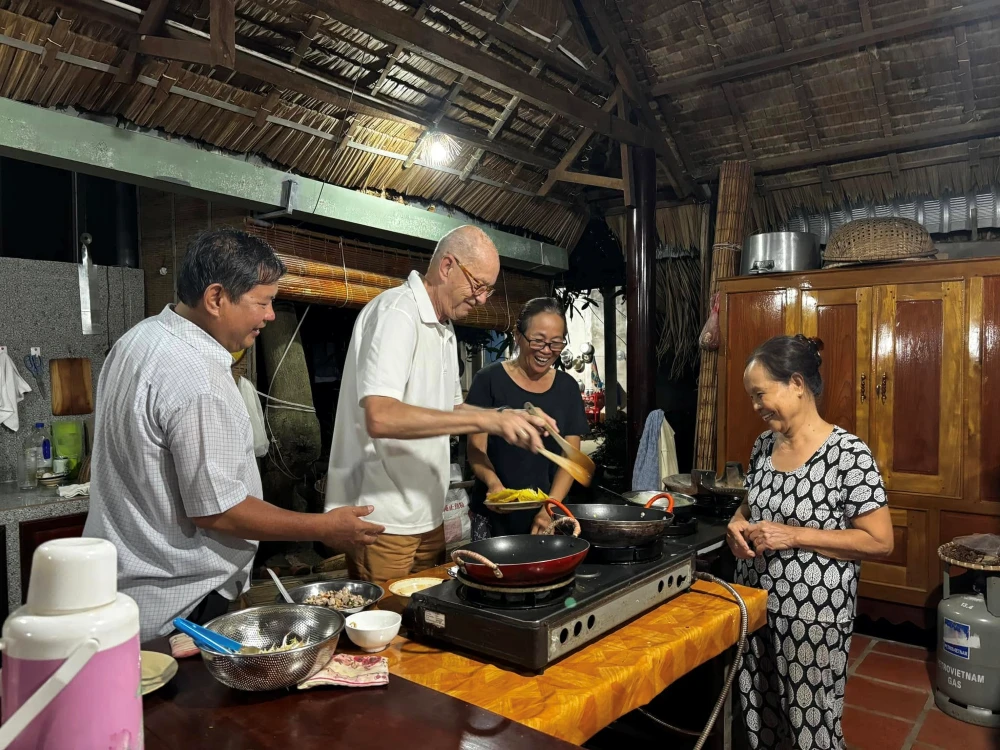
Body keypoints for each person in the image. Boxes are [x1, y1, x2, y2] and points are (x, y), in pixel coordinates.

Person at [84, 229, 385, 642]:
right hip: (181, 606)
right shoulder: (196, 376)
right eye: (262, 302)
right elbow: (218, 511)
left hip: (124, 596)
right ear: (216, 298)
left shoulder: (137, 340)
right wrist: (323, 527)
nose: (271, 315)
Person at [324, 225, 554, 582]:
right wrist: (489, 423)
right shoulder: (397, 314)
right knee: (387, 615)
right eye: (478, 286)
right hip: (383, 516)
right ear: (447, 266)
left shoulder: (444, 327)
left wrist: (505, 416)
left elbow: (451, 410)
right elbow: (381, 417)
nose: (482, 300)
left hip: (427, 513)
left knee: (427, 610)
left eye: (488, 290)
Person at [726, 334, 894, 750]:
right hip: (755, 605)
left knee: (811, 724)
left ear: (797, 384)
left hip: (812, 616)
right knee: (759, 712)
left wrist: (793, 535)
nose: (756, 406)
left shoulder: (848, 455)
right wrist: (736, 522)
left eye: (761, 394)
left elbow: (880, 541)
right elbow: (751, 504)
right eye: (751, 397)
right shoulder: (764, 445)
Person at [466, 297, 588, 538]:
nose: (547, 350)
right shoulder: (488, 380)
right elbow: (475, 449)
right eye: (538, 340)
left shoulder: (567, 387)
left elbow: (571, 458)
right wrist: (493, 484)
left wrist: (550, 507)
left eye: (556, 343)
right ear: (517, 335)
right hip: (494, 513)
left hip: (548, 515)